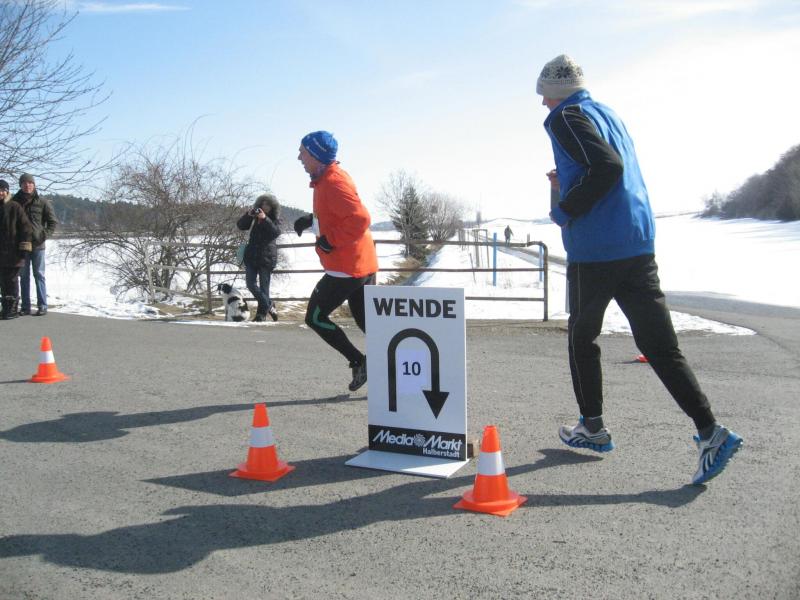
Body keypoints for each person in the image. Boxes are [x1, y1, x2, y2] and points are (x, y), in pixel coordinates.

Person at [536, 54, 742, 485]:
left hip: (596, 248)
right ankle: (711, 431)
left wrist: (565, 208)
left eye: (544, 95)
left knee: (581, 337)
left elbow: (607, 167)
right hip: (636, 241)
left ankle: (592, 428)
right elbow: (612, 164)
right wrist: (566, 182)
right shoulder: (606, 112)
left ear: (557, 91)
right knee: (660, 345)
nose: (543, 104)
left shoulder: (564, 118)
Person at [294, 131, 378, 392]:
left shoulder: (332, 182)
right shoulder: (327, 178)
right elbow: (338, 213)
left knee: (315, 317)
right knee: (368, 323)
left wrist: (330, 241)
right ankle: (399, 366)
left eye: (303, 152)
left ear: (316, 155)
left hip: (346, 267)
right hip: (361, 263)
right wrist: (312, 220)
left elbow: (360, 219)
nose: (299, 157)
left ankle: (360, 361)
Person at [12, 174, 57, 316]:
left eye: (30, 183)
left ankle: (42, 305)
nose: (28, 185)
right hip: (21, 245)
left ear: (34, 184)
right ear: (20, 185)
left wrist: (43, 235)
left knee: (39, 275)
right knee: (23, 276)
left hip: (38, 245)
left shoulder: (42, 202)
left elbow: (52, 222)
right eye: (24, 183)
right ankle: (25, 307)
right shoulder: (14, 202)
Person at [237, 194, 281, 322]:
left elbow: (275, 232)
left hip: (266, 257)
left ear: (272, 207)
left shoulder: (275, 219)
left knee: (264, 288)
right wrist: (248, 215)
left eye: (267, 204)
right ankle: (269, 304)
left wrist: (265, 218)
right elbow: (241, 226)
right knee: (250, 284)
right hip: (252, 256)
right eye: (263, 203)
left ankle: (261, 316)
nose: (264, 206)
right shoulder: (255, 217)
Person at [0, 179, 33, 320]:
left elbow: (26, 229)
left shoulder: (14, 207)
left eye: (3, 190)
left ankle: (12, 309)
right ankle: (5, 308)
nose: (0, 193)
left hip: (13, 253)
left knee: (12, 281)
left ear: (7, 191)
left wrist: (24, 249)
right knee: (3, 281)